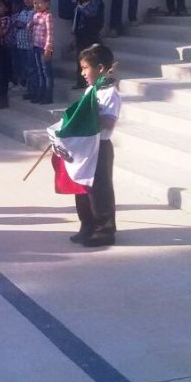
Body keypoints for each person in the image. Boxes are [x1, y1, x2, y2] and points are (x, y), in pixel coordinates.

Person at [71, 44, 121, 247]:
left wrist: (89, 116)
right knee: (83, 187)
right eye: (81, 68)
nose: (82, 73)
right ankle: (87, 224)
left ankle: (104, 229)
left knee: (100, 189)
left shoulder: (110, 92)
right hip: (85, 147)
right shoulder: (92, 89)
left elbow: (109, 121)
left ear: (100, 68)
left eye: (85, 68)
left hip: (100, 146)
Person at [69, 0, 106, 89]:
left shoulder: (96, 1)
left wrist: (80, 7)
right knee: (81, 59)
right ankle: (81, 81)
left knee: (93, 59)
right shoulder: (79, 3)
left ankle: (95, 81)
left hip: (92, 35)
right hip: (81, 35)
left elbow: (92, 13)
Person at [26, 0, 55, 105]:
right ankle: (40, 94)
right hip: (36, 47)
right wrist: (32, 20)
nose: (37, 6)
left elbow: (50, 33)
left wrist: (48, 48)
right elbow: (28, 27)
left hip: (44, 49)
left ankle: (48, 96)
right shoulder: (36, 15)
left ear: (47, 3)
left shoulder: (48, 16)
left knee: (46, 72)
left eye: (40, 3)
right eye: (35, 3)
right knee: (39, 71)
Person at [14, 0, 37, 98]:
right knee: (25, 68)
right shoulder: (23, 11)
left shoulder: (36, 12)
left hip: (31, 45)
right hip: (21, 44)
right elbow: (17, 23)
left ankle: (33, 90)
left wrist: (23, 25)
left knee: (32, 68)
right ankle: (29, 88)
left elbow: (32, 26)